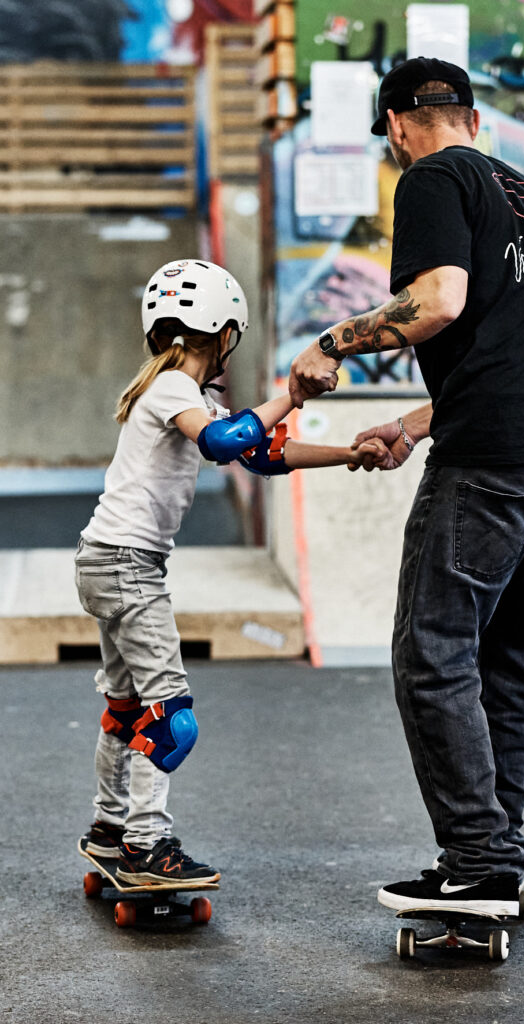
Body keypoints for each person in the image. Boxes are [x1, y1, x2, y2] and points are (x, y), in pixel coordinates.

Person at [289, 58, 524, 918]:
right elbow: (514, 346)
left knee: (432, 655)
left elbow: (436, 303)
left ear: (398, 123)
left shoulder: (434, 177)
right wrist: (414, 421)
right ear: (472, 115)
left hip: (496, 458)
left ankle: (478, 858)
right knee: (513, 667)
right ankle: (493, 862)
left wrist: (335, 339)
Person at [77, 258, 383, 886]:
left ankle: (111, 829)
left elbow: (262, 452)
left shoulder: (185, 394)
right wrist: (291, 396)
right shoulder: (170, 390)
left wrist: (347, 453)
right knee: (170, 717)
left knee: (126, 706)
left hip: (108, 561)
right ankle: (146, 844)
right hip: (129, 567)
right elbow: (224, 444)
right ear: (220, 332)